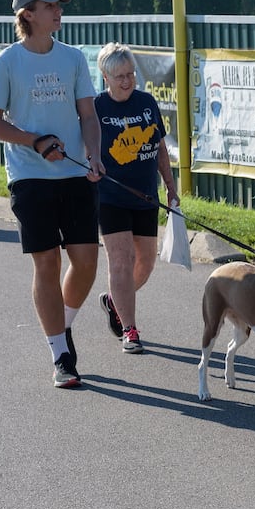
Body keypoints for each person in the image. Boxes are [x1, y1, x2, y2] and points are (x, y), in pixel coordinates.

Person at [0, 0, 105, 388]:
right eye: (50, 6)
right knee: (47, 261)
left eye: (60, 5)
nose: (59, 11)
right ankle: (61, 355)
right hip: (29, 175)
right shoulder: (6, 62)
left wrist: (94, 155)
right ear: (27, 15)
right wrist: (34, 141)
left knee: (86, 262)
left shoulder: (72, 59)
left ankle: (62, 325)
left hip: (74, 173)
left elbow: (88, 115)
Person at [93, 43, 178, 355]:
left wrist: (170, 185)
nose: (127, 81)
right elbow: (84, 146)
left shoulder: (146, 103)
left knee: (146, 262)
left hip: (145, 194)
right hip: (110, 195)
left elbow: (159, 147)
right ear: (105, 76)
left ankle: (114, 300)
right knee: (121, 259)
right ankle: (130, 329)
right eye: (119, 76)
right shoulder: (96, 106)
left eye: (130, 74)